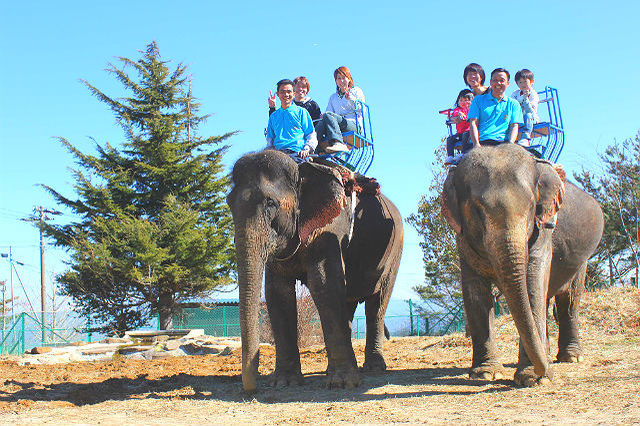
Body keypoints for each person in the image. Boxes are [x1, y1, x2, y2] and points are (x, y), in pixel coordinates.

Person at [468, 68, 523, 148]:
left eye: (502, 80)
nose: (498, 83)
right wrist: (476, 144)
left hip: (503, 143)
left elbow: (514, 126)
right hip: (482, 141)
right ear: (490, 82)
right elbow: (473, 122)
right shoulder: (478, 100)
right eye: (495, 80)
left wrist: (510, 145)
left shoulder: (514, 104)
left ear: (508, 83)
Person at [314, 66, 365, 153]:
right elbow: (328, 112)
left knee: (328, 115)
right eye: (338, 78)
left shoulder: (356, 91)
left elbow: (362, 110)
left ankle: (338, 142)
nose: (341, 81)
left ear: (349, 79)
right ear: (336, 81)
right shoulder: (333, 97)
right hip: (337, 125)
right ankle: (315, 149)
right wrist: (323, 115)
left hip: (353, 124)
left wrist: (351, 98)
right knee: (321, 123)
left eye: (344, 78)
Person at [265, 79, 317, 163]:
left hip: (297, 154)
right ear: (278, 94)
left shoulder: (302, 112)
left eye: (289, 91)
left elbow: (311, 134)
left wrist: (306, 149)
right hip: (278, 155)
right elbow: (270, 140)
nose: (286, 94)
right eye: (282, 92)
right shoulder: (273, 116)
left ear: (294, 93)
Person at [451, 63, 490, 128]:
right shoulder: (468, 96)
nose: (472, 76)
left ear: (481, 76)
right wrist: (457, 118)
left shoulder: (490, 91)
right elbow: (454, 113)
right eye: (469, 74)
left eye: (475, 74)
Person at [444, 89, 474, 165]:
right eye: (461, 100)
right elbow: (455, 113)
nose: (463, 102)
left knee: (465, 135)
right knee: (450, 139)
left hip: (469, 132)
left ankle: (463, 153)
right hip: (460, 133)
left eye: (466, 100)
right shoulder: (458, 110)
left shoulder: (472, 110)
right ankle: (450, 156)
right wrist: (459, 113)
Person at [511, 69, 540, 146]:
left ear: (531, 82)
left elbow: (530, 110)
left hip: (531, 118)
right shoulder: (515, 94)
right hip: (519, 119)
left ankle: (525, 137)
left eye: (525, 82)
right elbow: (512, 106)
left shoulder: (533, 94)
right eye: (520, 82)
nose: (523, 84)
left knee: (528, 115)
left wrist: (526, 98)